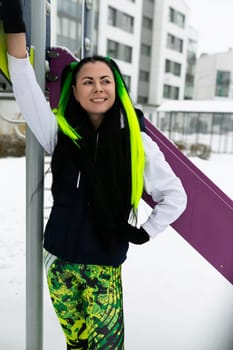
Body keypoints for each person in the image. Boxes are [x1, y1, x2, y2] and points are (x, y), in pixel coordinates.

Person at [2, 1, 187, 349]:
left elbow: (175, 197)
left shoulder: (138, 143)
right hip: (58, 262)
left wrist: (145, 232)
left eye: (105, 80)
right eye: (88, 81)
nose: (97, 87)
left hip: (103, 268)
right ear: (75, 91)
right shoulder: (59, 133)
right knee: (76, 344)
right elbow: (25, 84)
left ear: (115, 88)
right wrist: (14, 22)